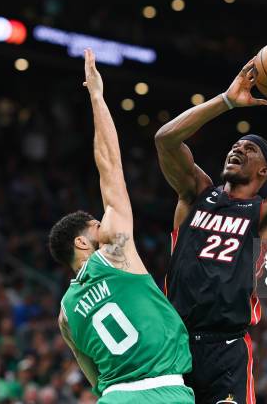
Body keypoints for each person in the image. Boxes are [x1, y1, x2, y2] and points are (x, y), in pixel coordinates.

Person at [154, 55, 267, 404]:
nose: (238, 148)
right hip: (173, 340)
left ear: (264, 172)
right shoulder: (196, 192)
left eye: (250, 149)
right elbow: (165, 139)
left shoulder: (266, 215)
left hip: (226, 349)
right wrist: (227, 100)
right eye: (236, 145)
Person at [49, 49, 194, 404]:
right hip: (165, 391)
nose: (104, 223)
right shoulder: (113, 253)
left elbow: (92, 375)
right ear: (83, 243)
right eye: (96, 225)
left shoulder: (66, 315)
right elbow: (110, 166)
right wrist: (97, 96)